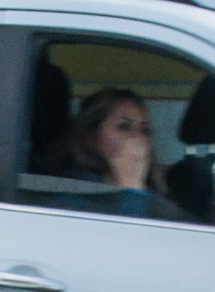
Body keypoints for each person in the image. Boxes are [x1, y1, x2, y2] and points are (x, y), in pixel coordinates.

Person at [62, 86, 159, 215]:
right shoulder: (73, 195)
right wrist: (131, 187)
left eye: (144, 130)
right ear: (91, 137)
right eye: (124, 127)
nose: (139, 138)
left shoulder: (155, 193)